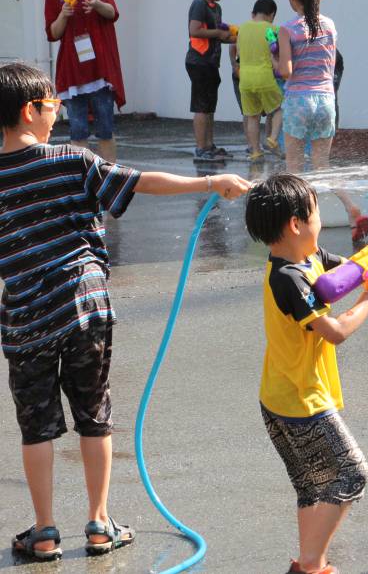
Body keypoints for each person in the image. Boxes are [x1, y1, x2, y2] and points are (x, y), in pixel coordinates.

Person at [0, 62, 249, 562]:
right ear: (31, 111)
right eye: (53, 106)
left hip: (25, 319)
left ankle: (45, 531)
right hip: (84, 307)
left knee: (37, 426)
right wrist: (208, 183)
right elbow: (141, 183)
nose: (60, 113)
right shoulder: (71, 160)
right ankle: (98, 523)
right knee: (95, 416)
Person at [244, 174, 368, 573]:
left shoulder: (309, 259)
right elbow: (333, 332)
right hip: (301, 403)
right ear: (295, 224)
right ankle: (312, 564)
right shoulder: (288, 278)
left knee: (313, 486)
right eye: (315, 212)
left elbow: (359, 265)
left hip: (281, 399)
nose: (320, 220)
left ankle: (308, 565)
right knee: (353, 474)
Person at [277, 0, 364, 234]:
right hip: (326, 101)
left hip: (298, 101)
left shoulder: (287, 29)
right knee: (322, 165)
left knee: (294, 167)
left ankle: (302, 221)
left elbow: (286, 71)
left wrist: (274, 59)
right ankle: (351, 207)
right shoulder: (330, 25)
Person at [44, 0, 126, 162]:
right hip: (73, 73)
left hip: (100, 71)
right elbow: (53, 33)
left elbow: (112, 13)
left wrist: (97, 4)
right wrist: (63, 14)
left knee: (105, 129)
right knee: (78, 131)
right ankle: (81, 179)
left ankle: (110, 176)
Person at [186, 0, 234, 162]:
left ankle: (209, 145)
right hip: (198, 62)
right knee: (201, 107)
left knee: (210, 107)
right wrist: (218, 33)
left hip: (212, 63)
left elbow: (219, 36)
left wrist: (236, 37)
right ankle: (200, 147)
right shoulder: (199, 4)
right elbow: (194, 30)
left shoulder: (217, 8)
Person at [235, 0, 284, 161]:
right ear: (271, 14)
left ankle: (255, 151)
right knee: (279, 108)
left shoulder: (242, 29)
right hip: (264, 77)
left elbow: (239, 54)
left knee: (252, 116)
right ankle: (272, 138)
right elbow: (277, 51)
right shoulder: (272, 28)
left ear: (253, 13)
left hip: (245, 79)